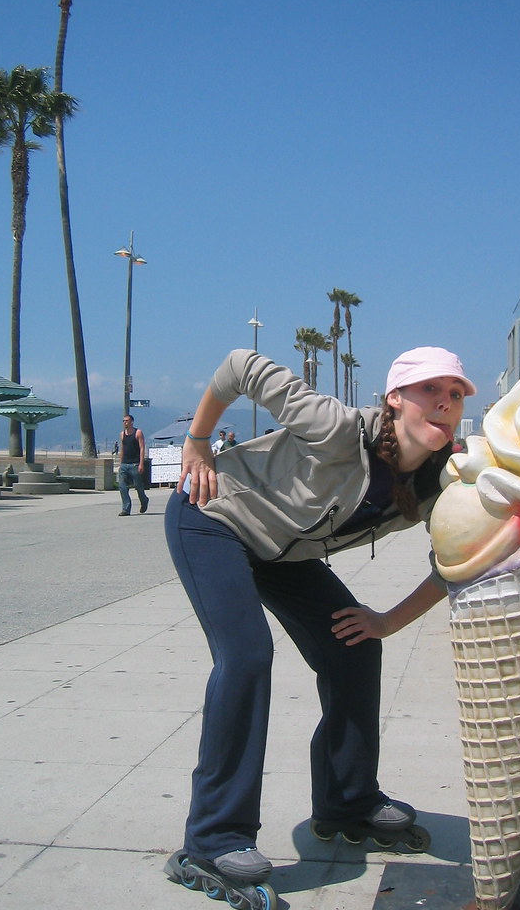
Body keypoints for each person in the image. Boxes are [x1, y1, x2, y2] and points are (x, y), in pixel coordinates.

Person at [164, 346, 475, 887]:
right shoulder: (337, 430)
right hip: (214, 517)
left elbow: (459, 562)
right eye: (430, 390)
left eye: (454, 395)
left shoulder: (440, 482)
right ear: (395, 399)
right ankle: (213, 838)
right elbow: (240, 366)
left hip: (284, 554)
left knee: (355, 645)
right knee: (246, 656)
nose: (444, 403)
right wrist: (197, 444)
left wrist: (387, 621)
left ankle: (346, 801)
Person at [117, 414, 149, 517]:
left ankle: (144, 501)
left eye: (127, 421)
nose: (125, 423)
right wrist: (120, 463)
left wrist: (141, 463)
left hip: (134, 464)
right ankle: (126, 509)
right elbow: (122, 448)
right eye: (123, 421)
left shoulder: (138, 433)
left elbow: (142, 448)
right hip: (124, 464)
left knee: (138, 486)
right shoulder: (122, 434)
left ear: (132, 422)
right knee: (122, 486)